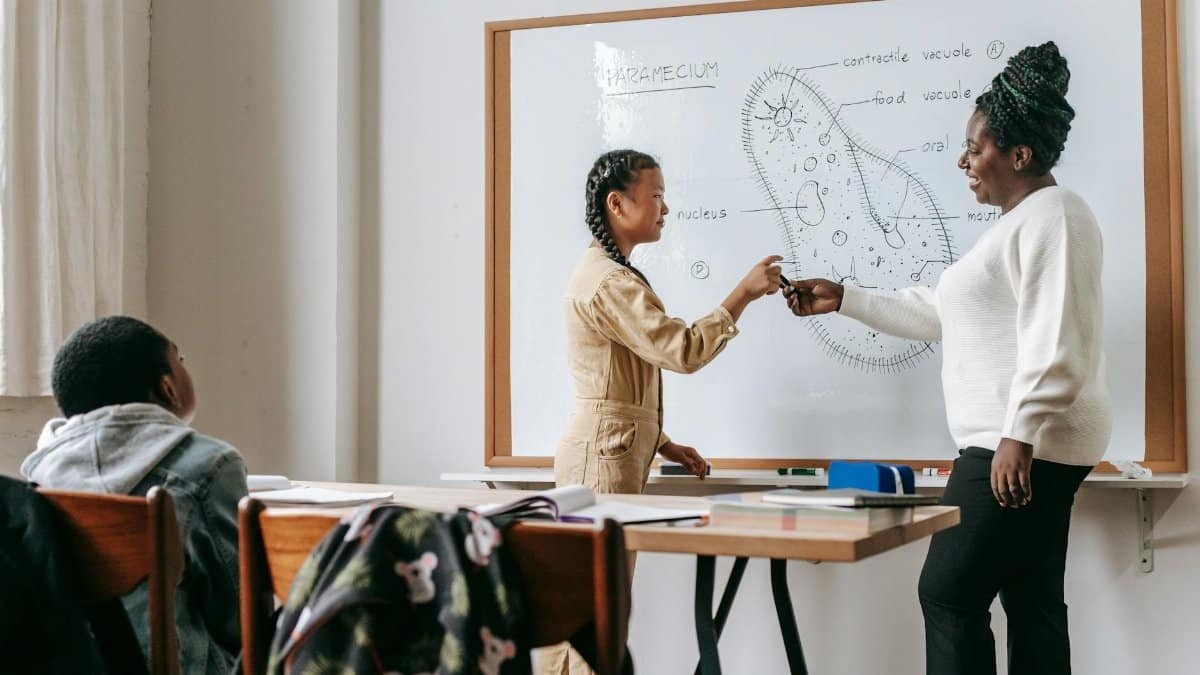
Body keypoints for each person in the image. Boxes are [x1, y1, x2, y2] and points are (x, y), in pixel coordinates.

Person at [784, 42, 1110, 675]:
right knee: (1033, 601)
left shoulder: (1056, 215)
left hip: (1013, 447)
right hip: (1024, 444)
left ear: (1020, 155)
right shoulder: (1016, 225)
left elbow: (1059, 334)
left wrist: (1020, 432)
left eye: (976, 147)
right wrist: (845, 297)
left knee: (948, 593)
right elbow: (939, 311)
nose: (964, 160)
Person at [542, 149, 781, 675]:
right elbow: (682, 350)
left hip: (609, 454)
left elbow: (618, 379)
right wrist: (742, 294)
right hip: (599, 463)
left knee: (592, 615)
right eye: (656, 196)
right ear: (618, 204)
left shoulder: (610, 275)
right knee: (592, 619)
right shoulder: (609, 283)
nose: (665, 208)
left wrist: (663, 442)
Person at [21, 316, 247, 675]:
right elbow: (242, 616)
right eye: (180, 361)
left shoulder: (37, 474)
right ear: (168, 388)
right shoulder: (208, 465)